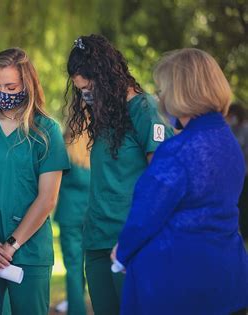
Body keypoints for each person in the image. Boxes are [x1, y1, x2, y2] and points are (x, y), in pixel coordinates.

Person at [113, 48, 248, 315]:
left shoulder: (179, 150)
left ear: (180, 92)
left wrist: (121, 253)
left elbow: (145, 215)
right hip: (229, 279)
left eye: (163, 89)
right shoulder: (228, 141)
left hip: (177, 283)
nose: (160, 97)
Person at [64, 34, 173, 315]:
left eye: (88, 88)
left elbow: (163, 182)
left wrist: (138, 236)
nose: (85, 96)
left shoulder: (144, 110)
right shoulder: (104, 114)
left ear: (107, 75)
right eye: (80, 91)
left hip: (132, 242)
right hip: (97, 240)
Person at [0, 47, 70, 315]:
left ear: (27, 84)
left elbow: (48, 199)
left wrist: (10, 246)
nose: (4, 94)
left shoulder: (47, 131)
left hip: (29, 253)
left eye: (11, 87)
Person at [53, 130, 90, 315]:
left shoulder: (64, 146)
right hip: (93, 213)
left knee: (74, 266)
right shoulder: (100, 145)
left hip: (69, 213)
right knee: (93, 262)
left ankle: (77, 309)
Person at [227, 103, 248, 240]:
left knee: (244, 204)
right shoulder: (230, 129)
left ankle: (245, 232)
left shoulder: (245, 130)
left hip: (245, 174)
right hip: (234, 175)